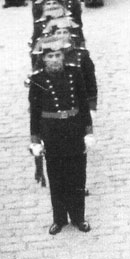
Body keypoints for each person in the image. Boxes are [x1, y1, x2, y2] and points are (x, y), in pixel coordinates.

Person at [28, 36, 93, 235]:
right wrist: (35, 140)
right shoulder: (38, 80)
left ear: (63, 57)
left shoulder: (74, 73)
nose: (55, 59)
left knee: (77, 176)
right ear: (44, 59)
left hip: (73, 130)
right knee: (56, 177)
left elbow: (83, 104)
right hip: (53, 133)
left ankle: (78, 217)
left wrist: (89, 131)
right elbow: (35, 112)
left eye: (58, 55)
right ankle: (59, 218)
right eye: (50, 56)